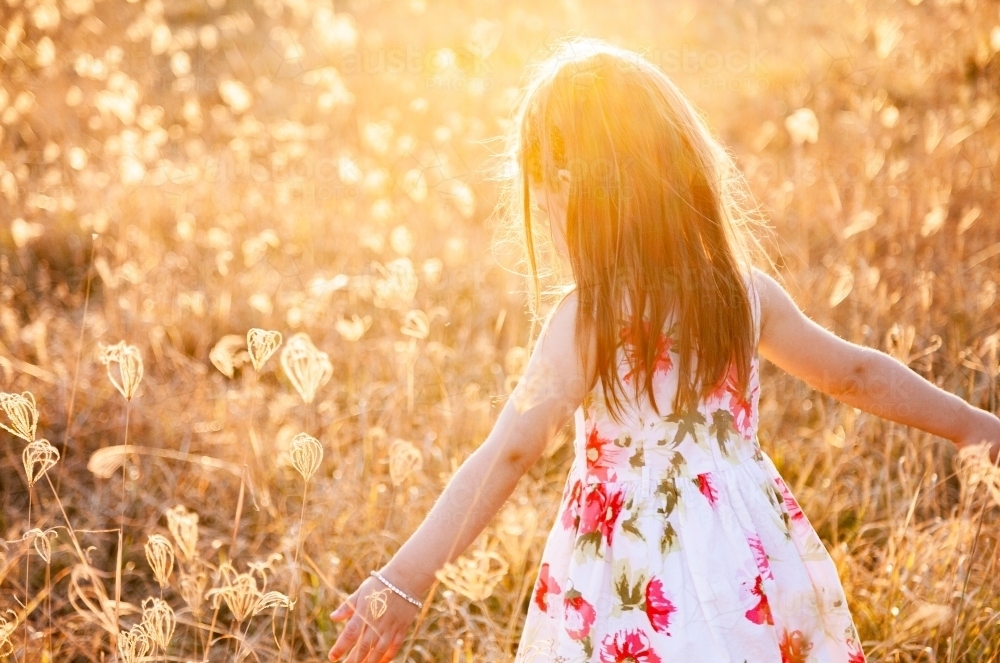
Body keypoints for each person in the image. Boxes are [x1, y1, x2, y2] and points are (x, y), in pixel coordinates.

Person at [326, 38, 1000, 663]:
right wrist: (974, 426)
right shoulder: (742, 291)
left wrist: (407, 577)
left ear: (572, 193)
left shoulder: (588, 315)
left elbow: (508, 449)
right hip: (747, 555)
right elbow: (854, 373)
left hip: (632, 568)